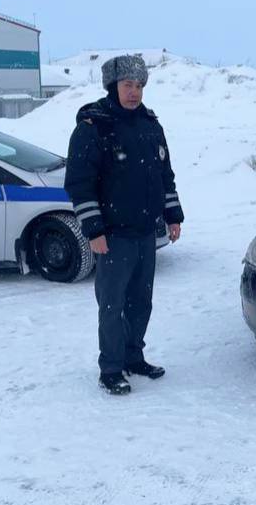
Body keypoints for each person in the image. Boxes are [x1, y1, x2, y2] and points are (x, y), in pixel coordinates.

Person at [64, 54, 184, 395]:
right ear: (113, 86)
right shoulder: (94, 127)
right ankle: (111, 368)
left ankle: (134, 357)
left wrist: (173, 216)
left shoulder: (150, 125)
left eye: (139, 85)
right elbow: (79, 183)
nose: (134, 92)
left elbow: (164, 175)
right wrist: (94, 230)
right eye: (128, 85)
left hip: (146, 232)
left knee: (141, 302)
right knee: (112, 305)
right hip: (113, 236)